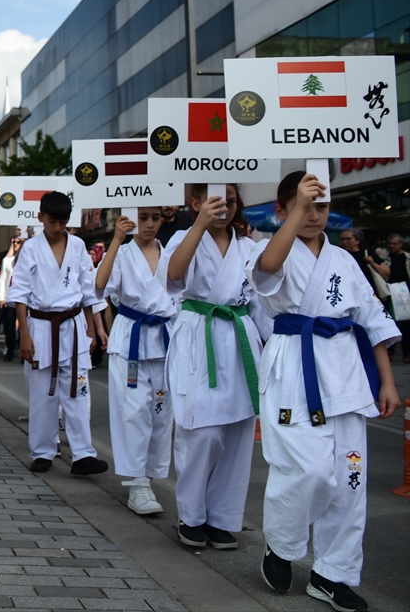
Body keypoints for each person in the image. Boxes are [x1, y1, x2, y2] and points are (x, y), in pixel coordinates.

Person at [248, 172, 400, 610]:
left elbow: (372, 320)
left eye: (321, 206)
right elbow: (268, 270)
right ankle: (282, 545)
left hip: (345, 373)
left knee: (349, 479)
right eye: (303, 206)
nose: (314, 215)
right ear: (282, 210)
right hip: (294, 371)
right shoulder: (271, 248)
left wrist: (387, 382)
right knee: (310, 471)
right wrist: (297, 210)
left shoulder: (344, 260)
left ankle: (333, 574)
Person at [163, 183, 267, 551]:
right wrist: (200, 225)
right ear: (195, 202)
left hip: (239, 338)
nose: (224, 209)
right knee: (202, 432)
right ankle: (191, 515)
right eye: (214, 202)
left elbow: (261, 302)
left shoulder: (249, 247)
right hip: (198, 336)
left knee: (238, 433)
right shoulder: (184, 237)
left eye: (230, 202)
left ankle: (223, 518)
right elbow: (173, 276)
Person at [7, 192, 106, 476]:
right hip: (40, 326)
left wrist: (92, 328)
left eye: (63, 222)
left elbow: (87, 290)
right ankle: (42, 451)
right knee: (42, 393)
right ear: (40, 218)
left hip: (73, 326)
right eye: (52, 221)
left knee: (78, 391)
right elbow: (20, 294)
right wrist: (24, 336)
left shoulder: (77, 245)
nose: (57, 227)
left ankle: (83, 454)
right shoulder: (30, 248)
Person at [95, 208, 175, 516]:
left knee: (161, 413)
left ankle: (149, 476)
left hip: (164, 340)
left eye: (155, 218)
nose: (150, 224)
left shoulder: (171, 254)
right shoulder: (123, 253)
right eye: (143, 218)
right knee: (134, 411)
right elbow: (99, 285)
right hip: (131, 339)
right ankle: (137, 483)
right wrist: (116, 239)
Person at [370, 233, 409, 361]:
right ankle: (390, 350)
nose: (392, 246)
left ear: (401, 244)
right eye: (390, 243)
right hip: (389, 292)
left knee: (407, 323)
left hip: (405, 292)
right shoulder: (384, 259)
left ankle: (407, 352)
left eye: (394, 243)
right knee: (390, 321)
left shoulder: (407, 258)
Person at [338, 229, 385, 301]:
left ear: (357, 241)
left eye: (348, 239)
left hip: (369, 294)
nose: (344, 242)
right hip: (348, 294)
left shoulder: (367, 253)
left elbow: (386, 273)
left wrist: (372, 263)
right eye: (342, 239)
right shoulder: (338, 255)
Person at [0, 236, 22, 361]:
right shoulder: (7, 260)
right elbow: (3, 279)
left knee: (24, 326)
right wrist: (1, 297)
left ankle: (23, 351)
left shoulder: (27, 258)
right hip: (10, 297)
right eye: (13, 242)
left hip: (24, 298)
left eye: (18, 242)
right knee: (9, 326)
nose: (16, 244)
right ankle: (10, 350)